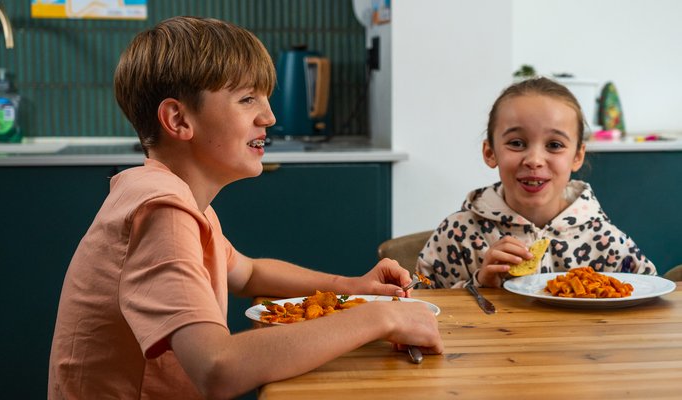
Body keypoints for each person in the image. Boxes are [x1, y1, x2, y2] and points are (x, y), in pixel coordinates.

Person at [48, 16, 443, 400]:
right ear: (178, 119)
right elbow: (218, 368)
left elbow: (248, 273)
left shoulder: (178, 198)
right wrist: (379, 318)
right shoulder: (162, 210)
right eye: (247, 98)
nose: (269, 116)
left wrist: (350, 288)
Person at [417, 77, 657, 289]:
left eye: (554, 145)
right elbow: (419, 301)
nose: (534, 160)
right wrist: (479, 283)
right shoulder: (458, 234)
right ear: (490, 153)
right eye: (517, 143)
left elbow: (650, 296)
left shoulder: (606, 241)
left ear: (577, 157)